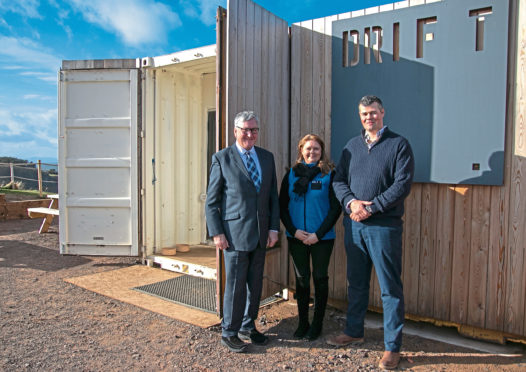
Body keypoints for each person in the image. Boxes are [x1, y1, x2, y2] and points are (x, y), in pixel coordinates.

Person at [328, 95, 414, 370]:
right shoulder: (351, 146)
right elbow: (338, 180)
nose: (369, 118)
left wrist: (372, 207)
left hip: (383, 227)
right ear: (360, 116)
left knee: (390, 289)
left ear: (382, 113)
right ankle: (354, 330)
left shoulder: (399, 145)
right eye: (364, 114)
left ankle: (392, 347)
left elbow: (402, 185)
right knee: (356, 283)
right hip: (354, 225)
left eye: (374, 113)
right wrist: (352, 203)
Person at [205, 110, 280, 353]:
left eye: (254, 129)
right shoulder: (222, 158)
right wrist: (217, 232)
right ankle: (229, 331)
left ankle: (249, 325)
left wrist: (273, 228)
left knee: (255, 285)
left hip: (260, 234)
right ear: (235, 131)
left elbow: (272, 197)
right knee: (235, 286)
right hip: (234, 235)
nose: (250, 134)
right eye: (245, 129)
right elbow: (212, 201)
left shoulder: (267, 158)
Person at [279, 134, 341, 341]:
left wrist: (318, 234)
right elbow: (282, 206)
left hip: (322, 239)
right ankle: (303, 322)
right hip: (296, 237)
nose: (312, 152)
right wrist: (294, 230)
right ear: (301, 151)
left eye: (316, 148)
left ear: (321, 151)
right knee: (302, 279)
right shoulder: (291, 175)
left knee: (320, 279)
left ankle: (317, 323)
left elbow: (335, 208)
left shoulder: (329, 174)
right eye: (308, 148)